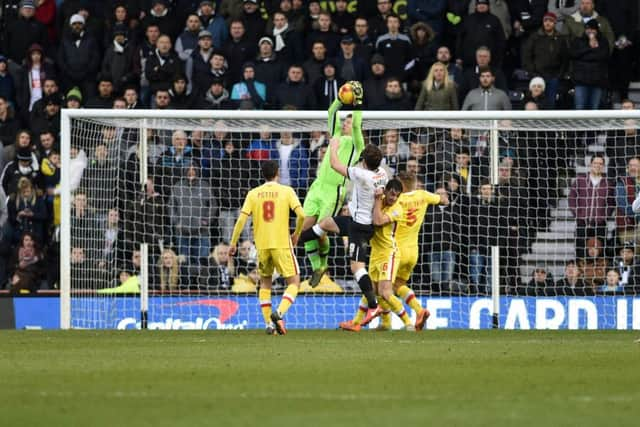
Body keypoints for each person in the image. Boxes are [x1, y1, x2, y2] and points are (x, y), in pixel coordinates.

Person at [299, 142, 388, 328]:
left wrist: (333, 146)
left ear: (364, 161)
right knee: (325, 223)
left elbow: (334, 165)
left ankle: (374, 306)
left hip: (359, 226)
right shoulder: (382, 173)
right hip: (358, 220)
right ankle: (299, 240)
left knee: (357, 268)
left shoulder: (362, 174)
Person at [229, 160, 305, 335]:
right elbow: (301, 215)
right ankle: (278, 314)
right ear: (277, 172)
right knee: (294, 282)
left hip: (262, 246)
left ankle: (269, 325)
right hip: (281, 245)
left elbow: (241, 220)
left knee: (265, 283)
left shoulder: (253, 194)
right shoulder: (287, 191)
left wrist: (233, 243)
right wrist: (296, 233)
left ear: (262, 174)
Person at [301, 84, 365, 287]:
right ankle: (317, 267)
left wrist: (357, 103)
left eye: (349, 121)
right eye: (345, 121)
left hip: (334, 190)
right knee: (304, 229)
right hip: (317, 186)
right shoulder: (335, 135)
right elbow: (331, 112)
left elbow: (356, 124)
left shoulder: (357, 143)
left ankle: (325, 263)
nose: (346, 123)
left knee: (321, 230)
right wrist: (339, 99)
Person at [368, 172, 448, 331]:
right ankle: (419, 310)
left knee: (382, 288)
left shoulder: (397, 201)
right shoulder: (423, 195)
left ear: (400, 186)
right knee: (399, 285)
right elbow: (444, 200)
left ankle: (387, 321)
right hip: (413, 251)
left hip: (394, 250)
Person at [569, 154, 615, 259]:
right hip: (582, 223)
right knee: (580, 252)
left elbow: (611, 203)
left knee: (599, 253)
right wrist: (578, 215)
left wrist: (604, 217)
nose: (598, 166)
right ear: (590, 164)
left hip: (600, 225)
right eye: (595, 163)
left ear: (603, 166)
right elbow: (572, 199)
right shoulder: (580, 180)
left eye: (600, 164)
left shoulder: (608, 184)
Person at [521, 12, 569, 108]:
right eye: (545, 20)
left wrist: (560, 75)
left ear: (554, 23)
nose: (547, 23)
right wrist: (533, 73)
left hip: (553, 77)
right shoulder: (535, 37)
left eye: (550, 21)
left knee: (550, 104)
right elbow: (526, 56)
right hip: (537, 76)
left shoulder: (560, 38)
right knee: (536, 103)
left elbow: (565, 58)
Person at [570, 19, 610, 110]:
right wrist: (590, 48)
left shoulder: (603, 41)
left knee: (594, 109)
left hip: (597, 81)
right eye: (588, 29)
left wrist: (584, 56)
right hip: (580, 81)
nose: (590, 31)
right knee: (579, 108)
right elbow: (573, 54)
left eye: (592, 29)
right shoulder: (578, 40)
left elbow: (603, 56)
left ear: (597, 30)